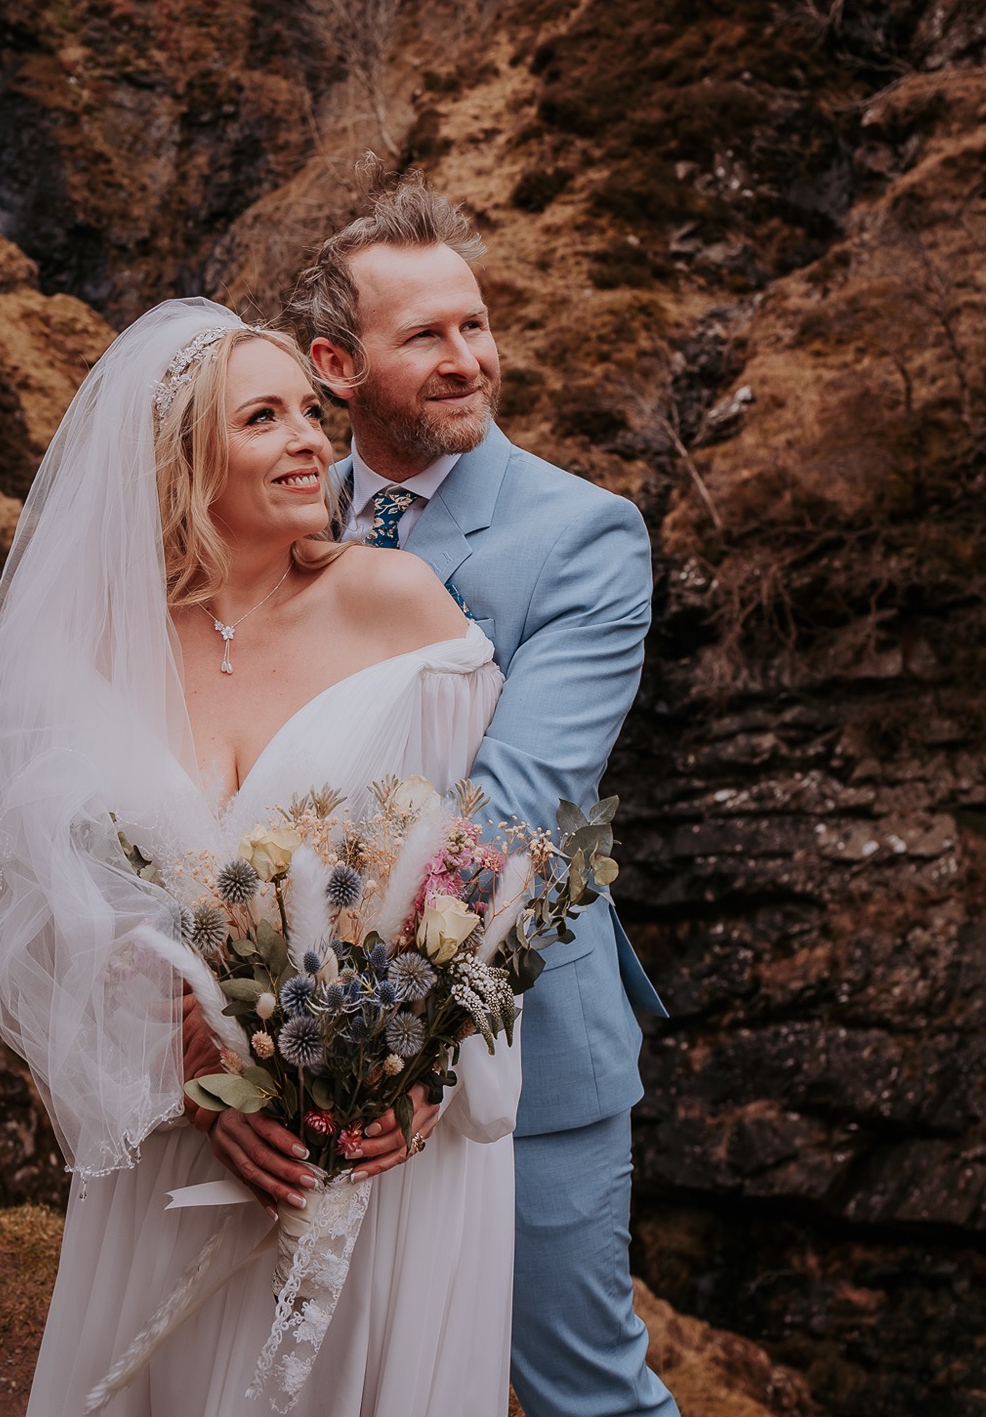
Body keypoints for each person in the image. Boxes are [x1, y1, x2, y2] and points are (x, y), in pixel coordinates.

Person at [0, 299, 520, 1417]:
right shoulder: (96, 650)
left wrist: (420, 1072)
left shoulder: (397, 607)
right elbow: (64, 916)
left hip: (386, 1141)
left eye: (310, 410)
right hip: (190, 1141)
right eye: (263, 416)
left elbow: (471, 869)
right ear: (182, 459)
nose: (309, 438)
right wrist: (199, 1088)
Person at [292, 171, 679, 1417]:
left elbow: (514, 806)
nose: (469, 358)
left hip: (527, 1043)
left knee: (582, 1390)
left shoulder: (585, 535)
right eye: (426, 336)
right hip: (299, 1029)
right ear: (335, 365)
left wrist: (373, 1026)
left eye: (475, 324)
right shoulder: (291, 514)